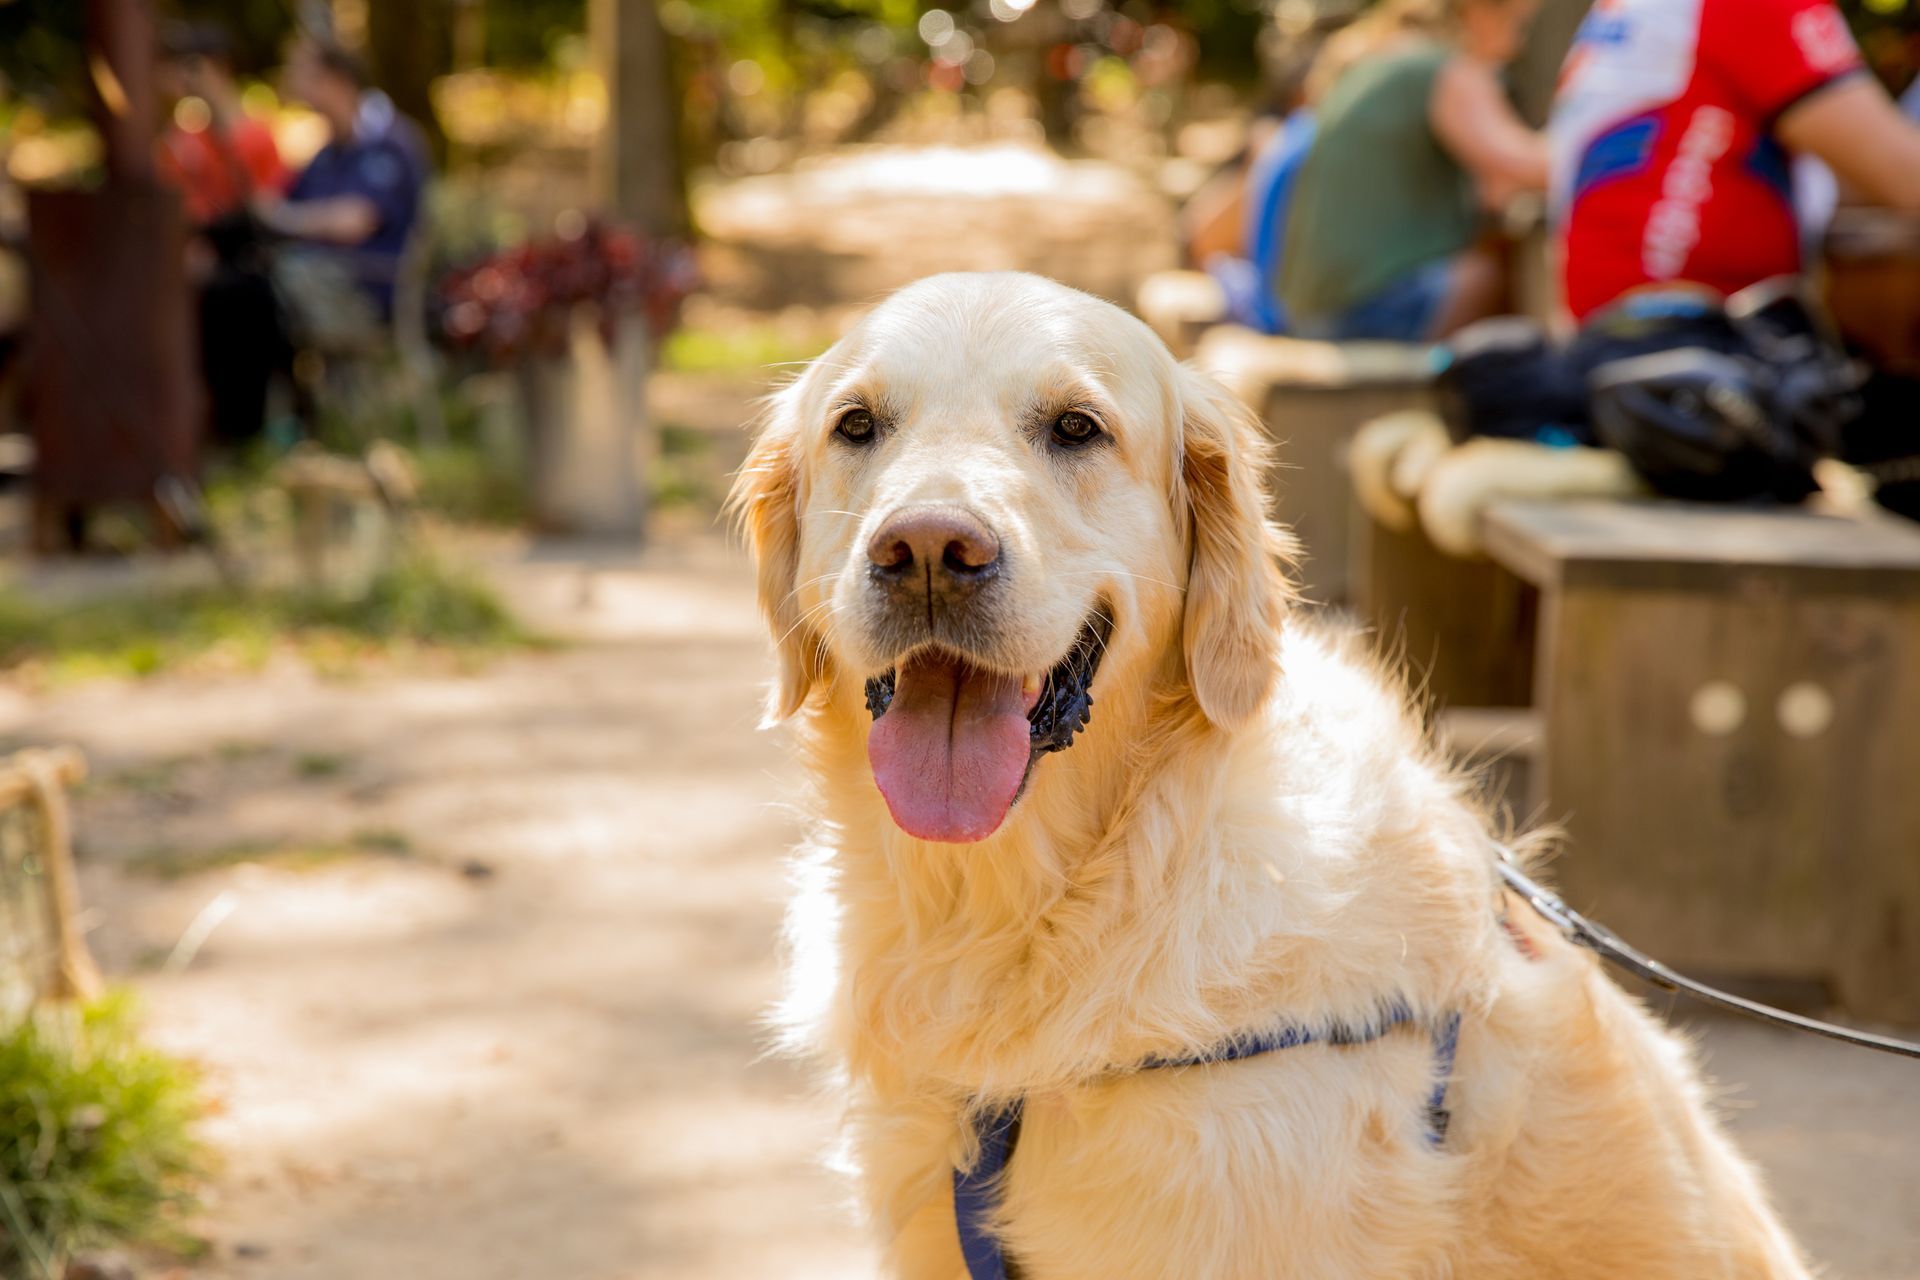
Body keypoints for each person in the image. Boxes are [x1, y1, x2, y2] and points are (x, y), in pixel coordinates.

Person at [1279, 0, 1550, 343]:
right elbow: (1530, 167)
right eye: (1515, 25)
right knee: (1486, 274)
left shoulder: (1383, 61)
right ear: (1478, 12)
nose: (1517, 45)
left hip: (1310, 313)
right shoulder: (1446, 70)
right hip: (1357, 316)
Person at [256, 35, 427, 324]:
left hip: (367, 289)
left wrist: (285, 219)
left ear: (337, 80)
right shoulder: (328, 150)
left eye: (302, 72)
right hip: (321, 277)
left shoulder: (389, 141)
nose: (294, 84)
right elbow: (272, 201)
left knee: (257, 292)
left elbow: (354, 221)